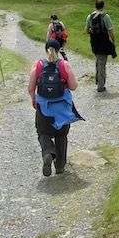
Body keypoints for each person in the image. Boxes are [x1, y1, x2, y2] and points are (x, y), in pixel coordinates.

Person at [27, 39, 83, 176]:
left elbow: (30, 87)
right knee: (61, 135)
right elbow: (73, 86)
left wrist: (34, 99)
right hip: (62, 108)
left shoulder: (38, 65)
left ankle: (48, 152)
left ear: (46, 49)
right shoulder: (64, 65)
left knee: (43, 133)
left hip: (44, 107)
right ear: (58, 50)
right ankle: (59, 166)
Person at [84, 0, 116, 92]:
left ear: (95, 6)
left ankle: (98, 81)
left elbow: (86, 30)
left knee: (98, 60)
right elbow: (110, 30)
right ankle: (101, 86)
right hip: (103, 41)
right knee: (102, 62)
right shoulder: (105, 17)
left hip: (94, 41)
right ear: (103, 6)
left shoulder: (90, 17)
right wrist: (113, 41)